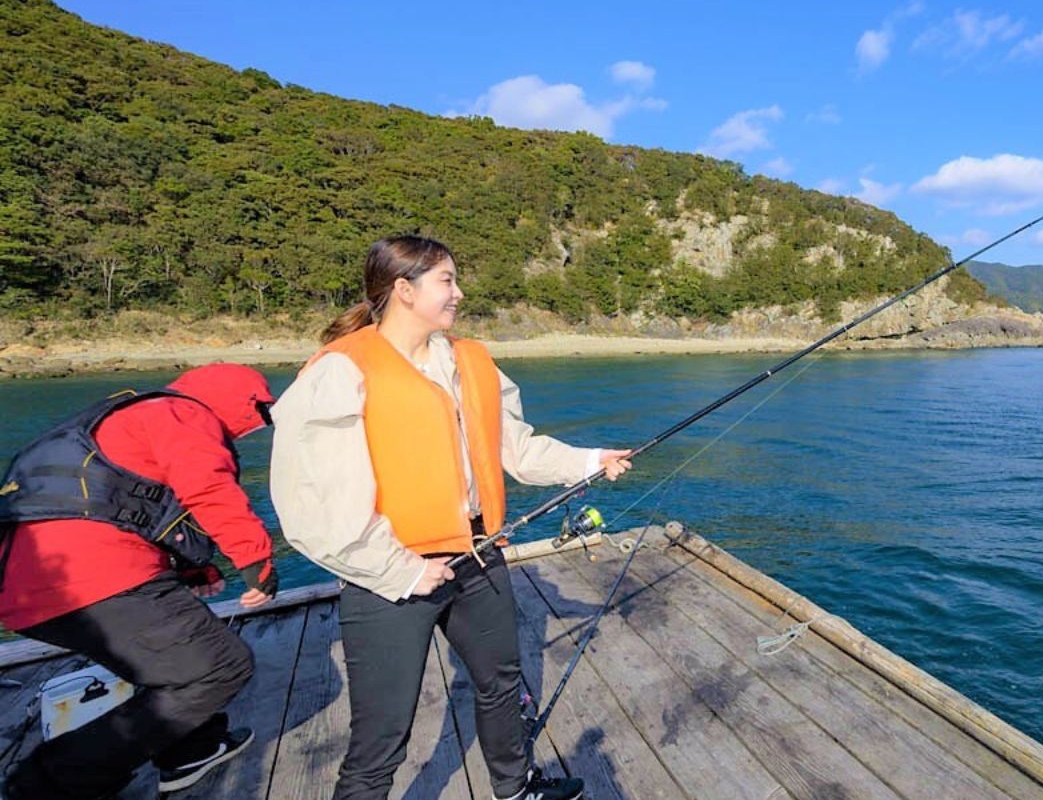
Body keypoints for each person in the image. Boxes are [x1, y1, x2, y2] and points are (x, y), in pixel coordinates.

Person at [269, 236, 630, 800]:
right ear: (403, 290)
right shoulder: (339, 373)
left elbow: (517, 448)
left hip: (479, 556)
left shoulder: (469, 361)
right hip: (389, 579)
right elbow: (315, 506)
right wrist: (404, 570)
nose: (460, 294)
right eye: (447, 281)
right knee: (381, 732)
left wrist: (589, 460)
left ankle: (516, 788)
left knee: (501, 682)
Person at [0, 363, 280, 799]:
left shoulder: (131, 413)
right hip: (90, 575)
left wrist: (194, 568)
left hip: (25, 585)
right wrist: (257, 562)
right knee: (220, 666)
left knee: (171, 658)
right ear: (243, 402)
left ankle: (192, 749)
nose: (260, 426)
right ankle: (45, 785)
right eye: (262, 413)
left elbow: (131, 502)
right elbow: (207, 488)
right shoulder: (186, 414)